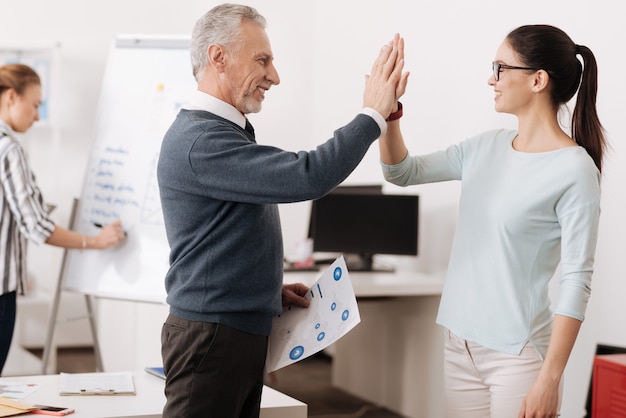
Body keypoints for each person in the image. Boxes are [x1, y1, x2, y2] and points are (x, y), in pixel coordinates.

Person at [156, 3, 406, 417]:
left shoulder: (221, 133)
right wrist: (373, 114)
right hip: (212, 337)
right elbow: (306, 176)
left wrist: (264, 294)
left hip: (232, 329)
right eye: (263, 60)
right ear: (218, 57)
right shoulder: (202, 140)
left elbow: (220, 238)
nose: (274, 76)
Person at [379, 26, 606, 417]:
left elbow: (576, 281)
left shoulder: (575, 169)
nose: (491, 78)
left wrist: (549, 379)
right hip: (459, 344)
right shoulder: (485, 146)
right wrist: (389, 113)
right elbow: (401, 172)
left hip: (516, 356)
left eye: (500, 68)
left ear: (538, 79)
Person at [0, 63, 126, 375]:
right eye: (35, 104)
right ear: (11, 97)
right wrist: (94, 242)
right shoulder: (8, 149)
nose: (38, 116)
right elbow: (37, 227)